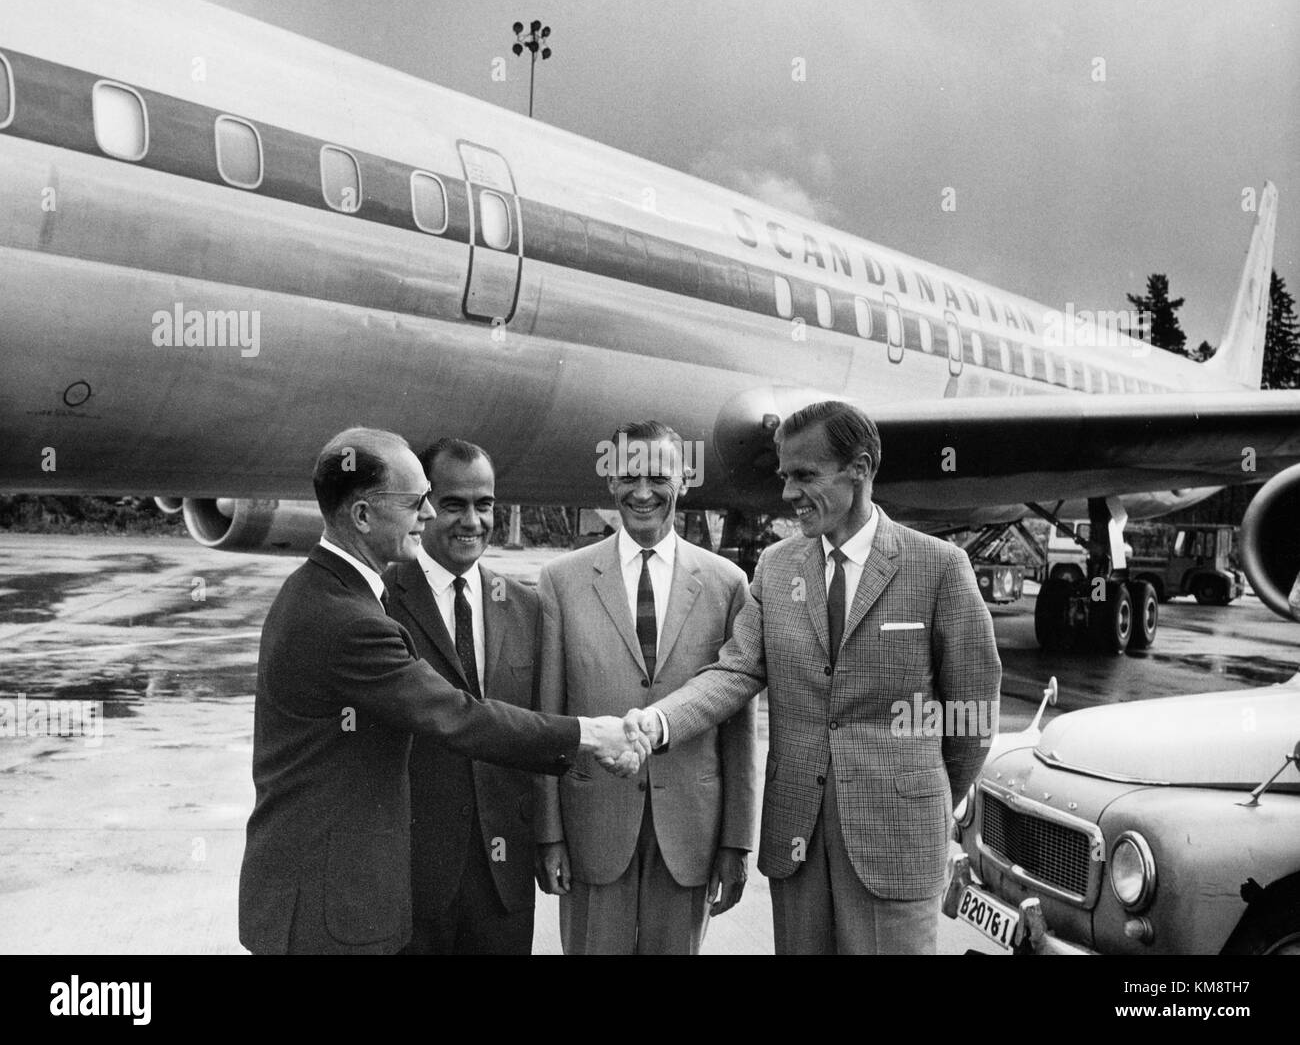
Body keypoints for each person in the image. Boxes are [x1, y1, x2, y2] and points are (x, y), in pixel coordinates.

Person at [238, 427, 645, 955]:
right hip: (332, 905)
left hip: (339, 893)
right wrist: (591, 734)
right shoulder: (352, 620)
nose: (428, 515)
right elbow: (456, 715)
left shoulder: (321, 589)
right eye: (416, 502)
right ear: (362, 515)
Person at [626, 401, 1001, 955]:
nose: (788, 493)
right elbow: (735, 669)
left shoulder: (939, 567)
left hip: (896, 841)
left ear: (860, 469)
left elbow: (972, 716)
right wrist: (658, 723)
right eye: (785, 476)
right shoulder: (776, 567)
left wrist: (920, 792)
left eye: (805, 475)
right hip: (796, 840)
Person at [536, 420, 757, 954]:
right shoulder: (561, 581)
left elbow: (738, 728)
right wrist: (549, 832)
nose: (642, 492)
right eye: (629, 476)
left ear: (684, 480)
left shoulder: (727, 583)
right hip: (593, 826)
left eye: (658, 477)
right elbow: (549, 715)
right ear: (610, 481)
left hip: (690, 832)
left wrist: (736, 841)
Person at [382, 438, 541, 955]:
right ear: (424, 506)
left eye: (484, 504)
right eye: (454, 504)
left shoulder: (527, 607)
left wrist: (550, 839)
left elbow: (537, 730)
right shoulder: (380, 602)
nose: (472, 521)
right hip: (409, 877)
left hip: (504, 877)